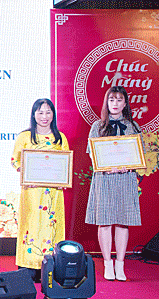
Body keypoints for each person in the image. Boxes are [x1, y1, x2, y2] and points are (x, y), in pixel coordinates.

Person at [86, 86, 141, 282]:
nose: (115, 104)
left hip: (125, 179)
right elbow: (92, 153)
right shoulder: (98, 126)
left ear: (125, 104)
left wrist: (128, 166)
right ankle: (107, 263)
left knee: (123, 220)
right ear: (106, 103)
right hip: (104, 178)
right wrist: (105, 167)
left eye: (119, 100)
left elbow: (138, 155)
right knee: (105, 221)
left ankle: (120, 263)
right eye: (112, 100)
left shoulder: (133, 127)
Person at [11, 98, 68, 282]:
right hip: (32, 192)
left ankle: (50, 265)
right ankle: (28, 267)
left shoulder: (60, 138)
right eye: (40, 112)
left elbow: (66, 163)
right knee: (32, 226)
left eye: (48, 112)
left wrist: (63, 180)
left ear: (53, 114)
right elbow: (15, 160)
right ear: (34, 114)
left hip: (53, 193)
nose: (44, 116)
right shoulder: (25, 137)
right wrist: (25, 173)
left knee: (51, 227)